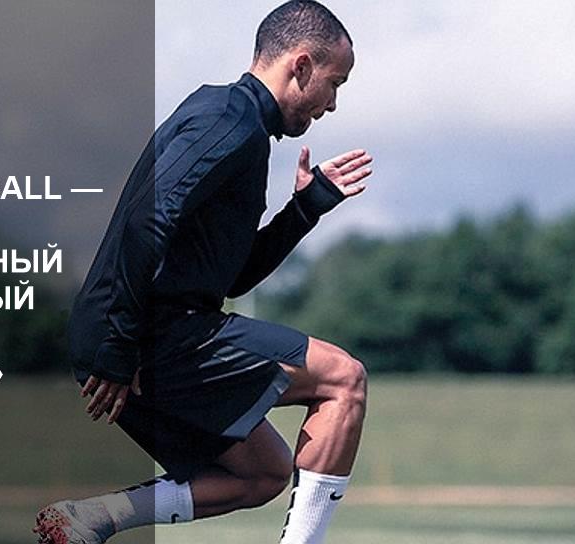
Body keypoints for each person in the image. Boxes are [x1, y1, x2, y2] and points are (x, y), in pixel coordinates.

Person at [34, 1, 372, 543]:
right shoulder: (229, 120)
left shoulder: (241, 127)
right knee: (343, 379)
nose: (331, 104)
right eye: (335, 84)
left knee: (262, 473)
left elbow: (232, 278)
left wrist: (305, 209)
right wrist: (120, 345)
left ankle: (93, 518)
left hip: (135, 332)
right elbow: (147, 220)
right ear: (302, 66)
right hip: (144, 334)